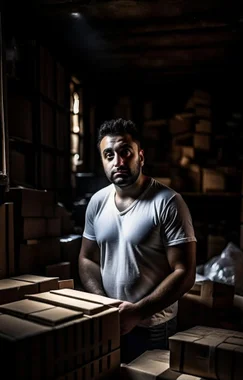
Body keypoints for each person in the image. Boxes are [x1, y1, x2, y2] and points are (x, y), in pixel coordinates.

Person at [79, 118, 196, 363]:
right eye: (109, 155)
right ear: (102, 161)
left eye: (125, 153)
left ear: (140, 157)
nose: (118, 162)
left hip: (153, 327)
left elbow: (185, 271)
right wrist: (102, 303)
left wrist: (138, 312)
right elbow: (87, 257)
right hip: (110, 321)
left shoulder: (168, 203)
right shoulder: (97, 202)